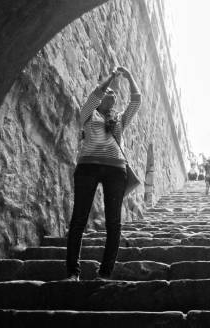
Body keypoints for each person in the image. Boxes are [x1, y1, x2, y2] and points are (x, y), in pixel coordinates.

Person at [66, 66, 141, 280]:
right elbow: (96, 93)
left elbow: (136, 101)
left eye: (115, 94)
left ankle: (105, 273)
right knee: (78, 219)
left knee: (113, 223)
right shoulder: (88, 114)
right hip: (87, 168)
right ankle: (73, 272)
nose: (112, 94)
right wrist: (111, 78)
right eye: (109, 93)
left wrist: (130, 76)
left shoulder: (119, 121)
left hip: (116, 171)